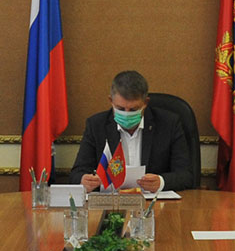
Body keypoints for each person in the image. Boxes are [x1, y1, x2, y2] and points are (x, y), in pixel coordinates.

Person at [67, 70, 195, 193]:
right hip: (110, 201)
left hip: (153, 201)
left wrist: (161, 182)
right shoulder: (96, 125)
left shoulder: (169, 123)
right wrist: (84, 180)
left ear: (145, 103)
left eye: (133, 109)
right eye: (120, 108)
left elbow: (185, 175)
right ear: (111, 101)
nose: (126, 114)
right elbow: (77, 173)